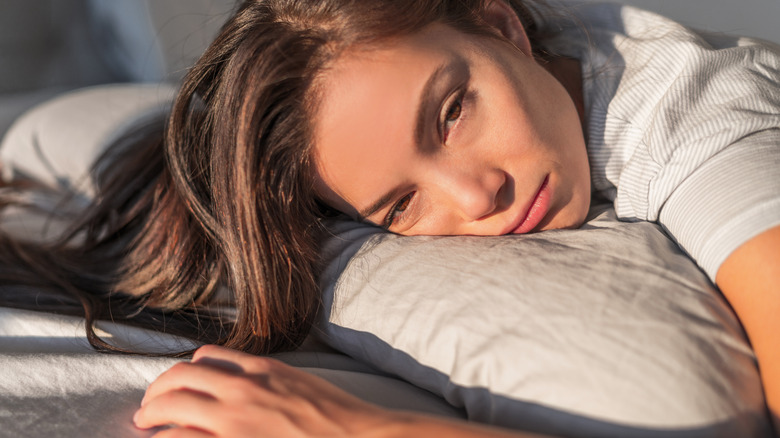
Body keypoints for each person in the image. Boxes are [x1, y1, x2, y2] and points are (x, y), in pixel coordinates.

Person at [0, 0, 777, 436]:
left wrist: (359, 429)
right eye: (401, 204)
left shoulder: (712, 123)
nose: (477, 199)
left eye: (451, 113)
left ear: (501, 23)